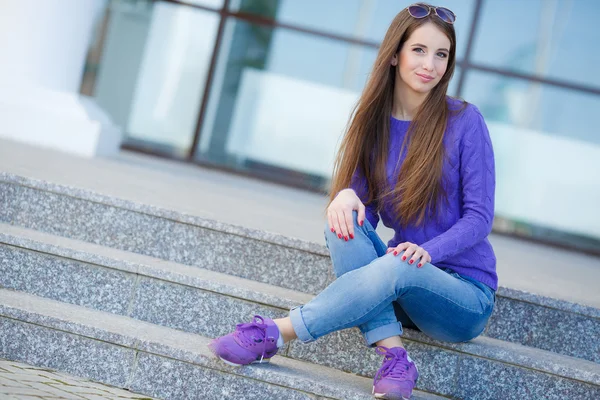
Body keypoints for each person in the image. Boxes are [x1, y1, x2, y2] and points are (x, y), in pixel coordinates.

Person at [209, 3, 497, 399]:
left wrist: (426, 253)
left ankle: (278, 331)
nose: (430, 64)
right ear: (395, 54)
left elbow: (480, 218)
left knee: (399, 261)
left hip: (463, 296)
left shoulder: (465, 120)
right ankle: (396, 357)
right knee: (341, 221)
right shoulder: (374, 124)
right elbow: (365, 217)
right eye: (419, 50)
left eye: (441, 54)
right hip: (401, 285)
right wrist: (346, 195)